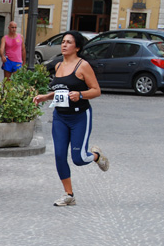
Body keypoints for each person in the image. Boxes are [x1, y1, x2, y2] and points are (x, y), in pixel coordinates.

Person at [32, 30, 110, 207]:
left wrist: (81, 95)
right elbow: (61, 91)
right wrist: (45, 96)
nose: (64, 45)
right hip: (60, 117)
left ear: (77, 47)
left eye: (68, 42)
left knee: (79, 158)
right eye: (63, 42)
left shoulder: (83, 66)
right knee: (59, 156)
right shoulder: (59, 66)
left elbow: (96, 90)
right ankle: (69, 195)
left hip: (80, 116)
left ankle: (97, 156)